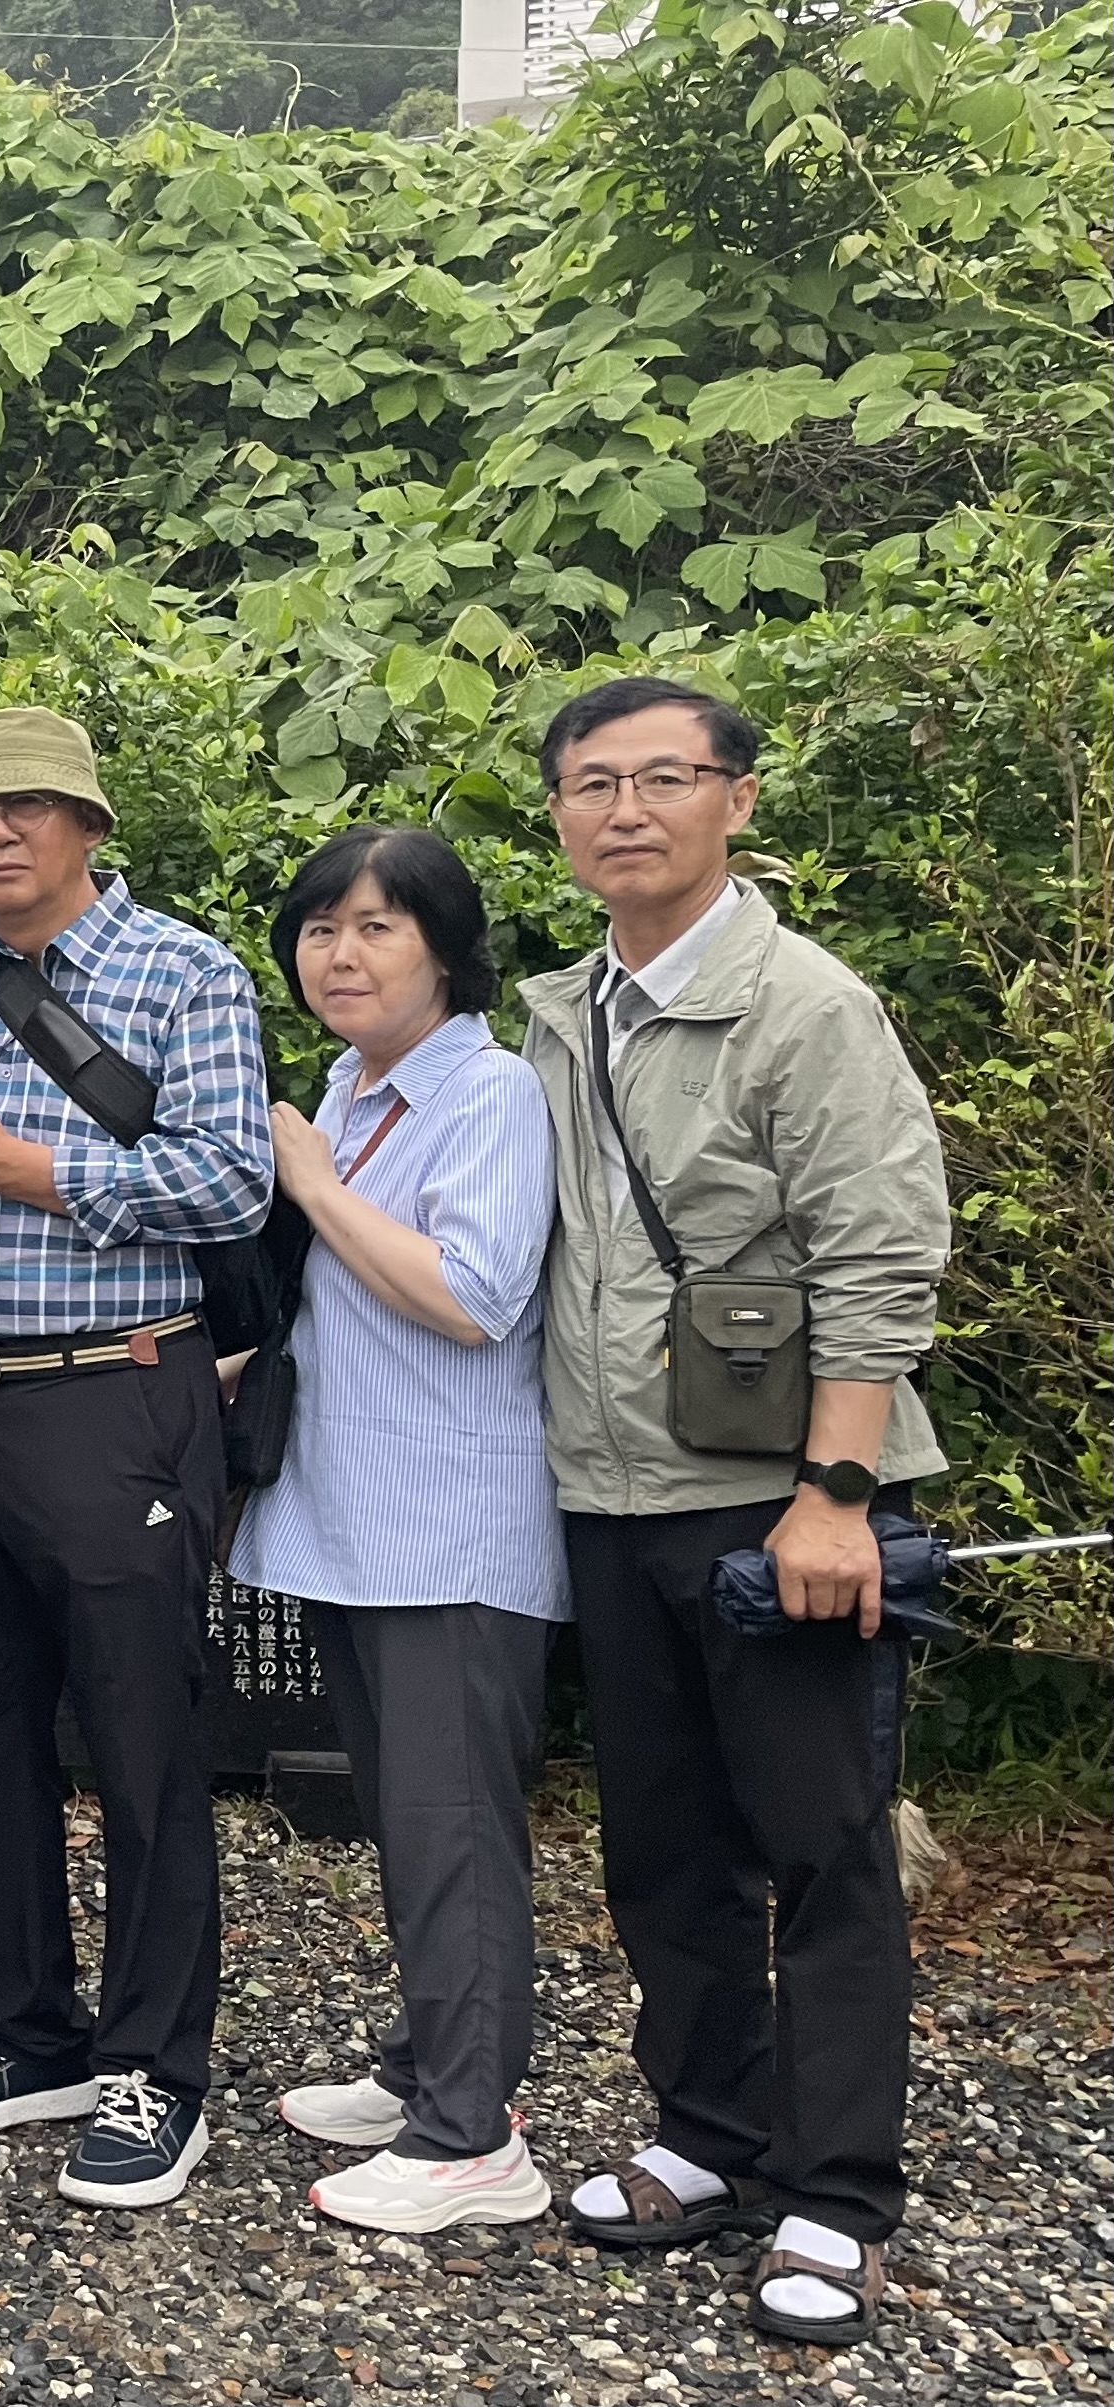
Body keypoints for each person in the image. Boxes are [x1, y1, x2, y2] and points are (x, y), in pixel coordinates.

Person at [520, 677, 947, 2347]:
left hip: (777, 1500)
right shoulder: (568, 1013)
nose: (625, 811)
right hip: (611, 1488)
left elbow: (881, 1252)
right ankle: (707, 2132)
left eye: (662, 778)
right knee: (662, 1842)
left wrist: (837, 1492)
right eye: (592, 783)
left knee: (823, 1848)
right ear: (560, 813)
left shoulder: (806, 1007)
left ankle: (838, 2194)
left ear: (738, 799)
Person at [0, 705, 272, 2213]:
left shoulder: (184, 973)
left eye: (26, 807)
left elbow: (231, 1180)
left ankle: (155, 2065)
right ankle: (24, 2030)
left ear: (88, 824)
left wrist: (18, 1166)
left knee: (142, 1735)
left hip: (120, 1388)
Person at [225, 827, 565, 2236]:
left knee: (454, 1832)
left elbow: (477, 1295)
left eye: (377, 927)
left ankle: (472, 2135)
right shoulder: (352, 1089)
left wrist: (313, 1186)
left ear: (445, 947)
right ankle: (431, 2065)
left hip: (450, 1533)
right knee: (406, 1817)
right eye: (320, 929)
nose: (341, 954)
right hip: (356, 1520)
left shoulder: (488, 1093)